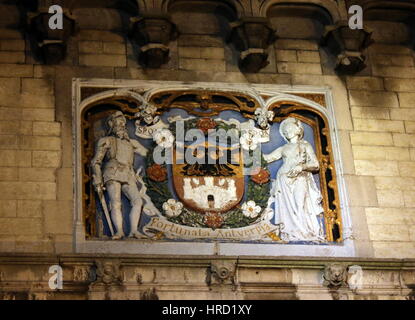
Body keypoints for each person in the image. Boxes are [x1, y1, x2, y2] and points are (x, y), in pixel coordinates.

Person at [263, 117, 325, 242]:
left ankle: (305, 232)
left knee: (300, 205)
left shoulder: (305, 145)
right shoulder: (284, 148)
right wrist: (249, 147)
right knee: (287, 208)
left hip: (299, 178)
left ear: (298, 130)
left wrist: (301, 166)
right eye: (285, 129)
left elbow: (315, 164)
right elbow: (267, 158)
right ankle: (290, 233)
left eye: (290, 127)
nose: (287, 131)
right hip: (283, 180)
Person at [91, 111, 149, 240]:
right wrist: (98, 178)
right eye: (119, 120)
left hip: (128, 174)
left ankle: (134, 230)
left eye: (123, 121)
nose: (122, 124)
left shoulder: (131, 143)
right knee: (115, 203)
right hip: (112, 171)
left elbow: (146, 153)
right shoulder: (106, 140)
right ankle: (119, 231)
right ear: (112, 124)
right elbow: (96, 161)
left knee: (137, 201)